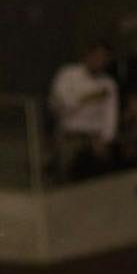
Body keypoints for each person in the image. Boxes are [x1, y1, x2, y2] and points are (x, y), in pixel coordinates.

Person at [48, 40, 118, 180]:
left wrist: (106, 138)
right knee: (68, 175)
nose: (100, 61)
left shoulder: (108, 84)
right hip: (71, 135)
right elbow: (60, 103)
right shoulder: (68, 74)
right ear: (88, 55)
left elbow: (111, 114)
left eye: (104, 59)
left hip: (95, 138)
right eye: (97, 57)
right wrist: (88, 98)